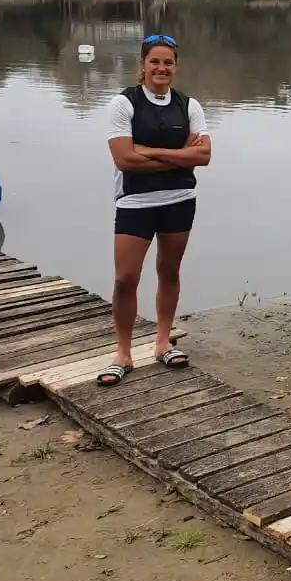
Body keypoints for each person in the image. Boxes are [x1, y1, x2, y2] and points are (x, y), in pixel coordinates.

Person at [97, 34, 212, 387]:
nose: (162, 68)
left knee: (169, 271)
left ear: (176, 66)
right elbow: (124, 159)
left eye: (168, 62)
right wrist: (179, 158)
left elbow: (204, 156)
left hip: (179, 200)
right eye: (155, 61)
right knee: (125, 278)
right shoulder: (124, 104)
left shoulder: (189, 106)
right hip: (135, 202)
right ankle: (123, 354)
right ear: (143, 65)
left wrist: (149, 151)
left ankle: (163, 343)